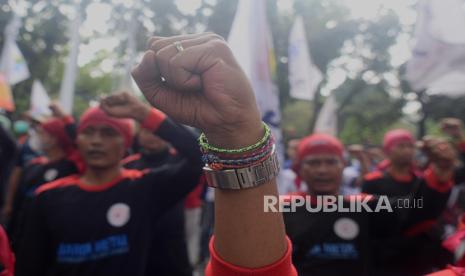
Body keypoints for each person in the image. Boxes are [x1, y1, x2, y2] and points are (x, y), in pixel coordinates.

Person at [133, 33, 295, 275]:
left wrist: (235, 131)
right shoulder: (129, 168)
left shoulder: (170, 164)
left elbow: (195, 154)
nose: (97, 143)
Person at [284, 133, 456, 275]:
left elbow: (414, 211)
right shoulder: (282, 209)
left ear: (343, 166)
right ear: (299, 168)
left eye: (330, 162)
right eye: (313, 163)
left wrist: (438, 175)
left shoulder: (365, 206)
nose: (322, 170)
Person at [362, 129, 463, 275]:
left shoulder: (421, 180)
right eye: (401, 146)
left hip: (420, 256)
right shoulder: (373, 181)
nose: (407, 150)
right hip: (386, 257)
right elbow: (375, 217)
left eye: (410, 146)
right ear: (387, 151)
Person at [123, 128, 197, 276]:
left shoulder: (181, 159)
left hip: (173, 248)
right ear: (138, 135)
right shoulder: (126, 165)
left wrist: (160, 123)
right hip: (136, 248)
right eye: (148, 131)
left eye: (159, 132)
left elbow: (200, 152)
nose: (153, 137)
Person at [5, 103, 79, 249]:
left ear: (54, 138)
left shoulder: (70, 167)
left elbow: (79, 144)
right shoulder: (33, 166)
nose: (37, 136)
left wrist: (66, 119)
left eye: (42, 133)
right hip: (19, 238)